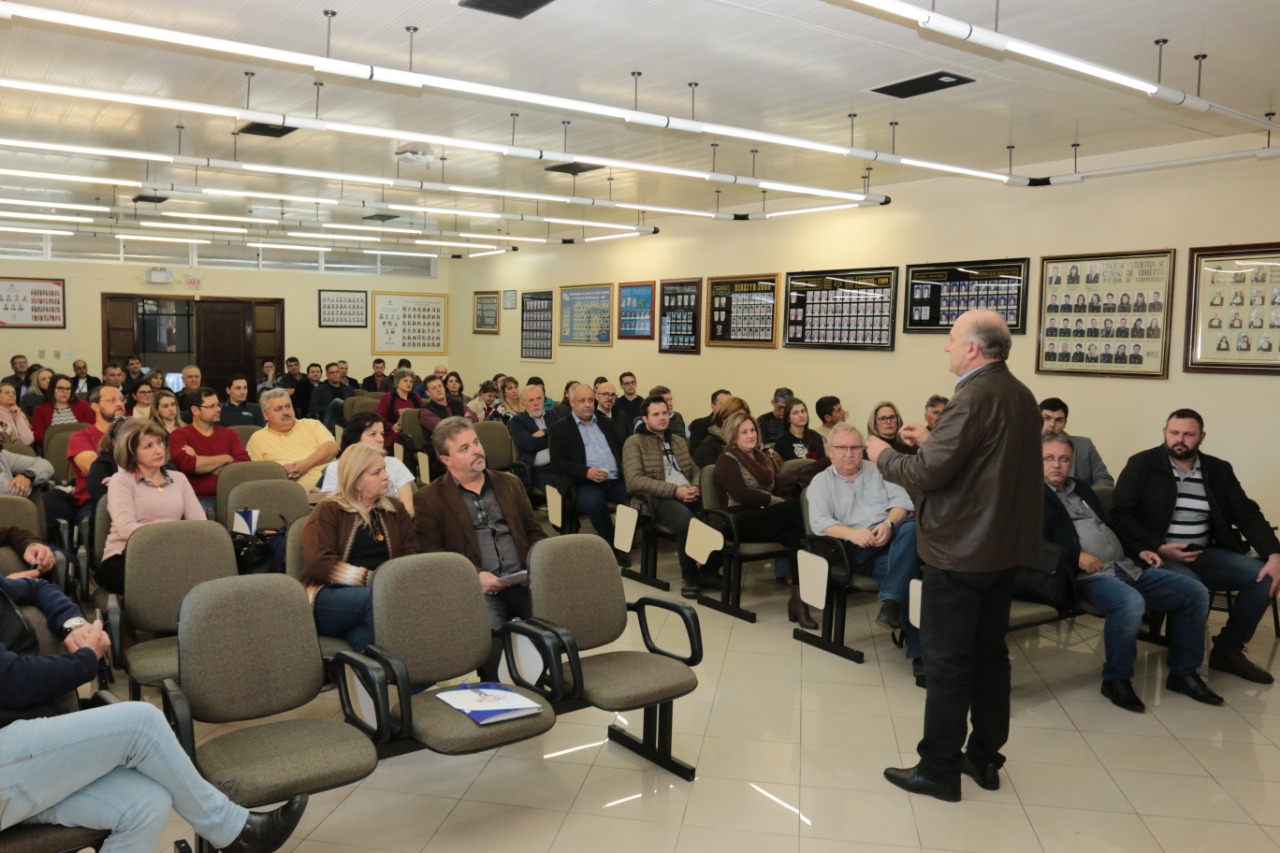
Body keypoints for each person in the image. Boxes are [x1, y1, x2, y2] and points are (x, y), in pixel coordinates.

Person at [0, 567, 308, 853]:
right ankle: (232, 831)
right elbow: (12, 680)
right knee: (141, 722)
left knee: (147, 802)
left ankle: (233, 832)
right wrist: (86, 658)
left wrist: (74, 625)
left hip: (19, 757)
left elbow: (37, 587)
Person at [869, 310, 1042, 802]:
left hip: (959, 553)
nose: (946, 348)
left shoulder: (972, 397)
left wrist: (879, 453)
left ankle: (938, 769)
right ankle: (984, 758)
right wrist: (928, 441)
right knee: (991, 659)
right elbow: (980, 464)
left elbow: (926, 476)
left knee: (947, 665)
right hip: (1003, 551)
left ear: (972, 349)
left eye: (950, 340)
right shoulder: (1020, 395)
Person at [1040, 431, 1220, 712]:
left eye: (1064, 459)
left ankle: (1183, 673)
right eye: (1049, 458)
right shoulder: (1027, 495)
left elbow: (1112, 527)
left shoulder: (1082, 489)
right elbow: (1029, 542)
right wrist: (1075, 557)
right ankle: (1116, 679)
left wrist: (1141, 551)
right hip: (1085, 577)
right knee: (1130, 602)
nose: (1057, 465)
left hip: (1126, 566)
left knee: (1194, 592)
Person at [1109, 409, 1280, 684]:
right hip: (1159, 555)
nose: (1180, 440)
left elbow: (1246, 513)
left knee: (1264, 576)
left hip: (1205, 552)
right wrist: (1159, 546)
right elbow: (1120, 515)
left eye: (1188, 434)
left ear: (1201, 437)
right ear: (1164, 432)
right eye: (1174, 433)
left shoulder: (1218, 469)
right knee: (1193, 589)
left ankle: (1228, 650)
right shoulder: (1142, 464)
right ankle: (1185, 668)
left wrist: (1274, 554)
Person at [414, 417, 546, 679]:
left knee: (554, 623)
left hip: (521, 580)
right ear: (446, 460)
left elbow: (534, 532)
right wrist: (474, 576)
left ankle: (541, 687)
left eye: (476, 442)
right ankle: (497, 696)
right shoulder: (429, 499)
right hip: (479, 589)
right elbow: (433, 555)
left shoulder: (509, 483)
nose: (477, 450)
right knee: (488, 639)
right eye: (464, 448)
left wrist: (537, 567)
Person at [808, 422, 922, 679]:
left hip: (891, 540)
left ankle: (892, 601)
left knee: (910, 531)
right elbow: (820, 522)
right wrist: (852, 534)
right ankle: (920, 654)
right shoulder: (821, 483)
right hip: (856, 549)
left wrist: (889, 524)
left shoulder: (880, 470)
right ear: (830, 451)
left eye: (855, 447)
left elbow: (903, 504)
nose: (849, 453)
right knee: (913, 578)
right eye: (842, 448)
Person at [302, 443, 418, 651]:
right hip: (329, 596)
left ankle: (388, 678)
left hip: (381, 597)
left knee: (365, 638)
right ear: (356, 480)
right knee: (373, 600)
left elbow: (411, 554)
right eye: (377, 472)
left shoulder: (394, 508)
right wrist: (372, 580)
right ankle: (423, 677)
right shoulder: (329, 510)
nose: (386, 476)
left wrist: (394, 583)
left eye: (384, 469)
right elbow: (318, 563)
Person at [713, 410, 811, 626]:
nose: (750, 436)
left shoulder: (762, 458)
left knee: (798, 538)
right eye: (744, 432)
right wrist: (775, 502)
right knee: (793, 510)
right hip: (738, 522)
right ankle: (827, 554)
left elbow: (773, 488)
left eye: (752, 431)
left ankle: (798, 600)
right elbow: (742, 494)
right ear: (733, 436)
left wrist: (773, 502)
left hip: (763, 518)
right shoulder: (726, 460)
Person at [623, 395, 719, 599]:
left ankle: (708, 571)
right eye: (656, 414)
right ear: (645, 419)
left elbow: (694, 469)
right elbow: (635, 481)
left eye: (665, 413)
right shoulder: (634, 442)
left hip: (687, 493)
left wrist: (694, 487)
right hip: (657, 499)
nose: (662, 418)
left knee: (720, 517)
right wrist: (674, 491)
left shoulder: (677, 440)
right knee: (688, 523)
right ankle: (690, 576)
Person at [98, 420, 205, 595]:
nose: (158, 450)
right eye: (148, 446)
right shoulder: (121, 480)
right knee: (161, 581)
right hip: (127, 556)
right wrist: (173, 534)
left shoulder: (179, 479)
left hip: (174, 552)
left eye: (159, 442)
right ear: (132, 454)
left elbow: (200, 523)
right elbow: (126, 529)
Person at [548, 382, 631, 567]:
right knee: (594, 504)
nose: (587, 404)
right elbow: (558, 463)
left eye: (590, 400)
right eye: (581, 401)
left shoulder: (606, 423)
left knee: (635, 500)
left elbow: (618, 450)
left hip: (614, 479)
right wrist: (586, 472)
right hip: (584, 481)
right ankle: (613, 547)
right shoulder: (560, 428)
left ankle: (622, 541)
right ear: (571, 402)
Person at [47, 384, 124, 530]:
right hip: (95, 499)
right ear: (94, 406)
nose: (119, 404)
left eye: (121, 399)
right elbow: (97, 471)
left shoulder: (133, 433)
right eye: (112, 400)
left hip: (137, 493)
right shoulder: (81, 437)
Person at [169, 386, 251, 515]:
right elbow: (189, 465)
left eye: (218, 405)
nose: (218, 409)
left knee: (248, 517)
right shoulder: (179, 435)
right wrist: (226, 458)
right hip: (200, 499)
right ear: (195, 410)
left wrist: (200, 459)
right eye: (212, 406)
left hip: (233, 495)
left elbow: (243, 465)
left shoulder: (230, 433)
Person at [320, 413, 415, 514]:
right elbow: (335, 509)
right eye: (373, 434)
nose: (381, 439)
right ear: (355, 438)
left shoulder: (395, 464)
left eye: (382, 434)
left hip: (394, 524)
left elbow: (408, 508)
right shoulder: (337, 467)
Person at [248, 388, 338, 489]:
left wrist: (305, 465)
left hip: (331, 491)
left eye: (288, 406)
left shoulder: (311, 425)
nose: (286, 412)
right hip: (287, 496)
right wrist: (281, 473)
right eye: (278, 409)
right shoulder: (257, 439)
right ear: (266, 415)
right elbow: (255, 475)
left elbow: (331, 448)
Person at [1038, 397, 1113, 487]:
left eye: (1059, 420)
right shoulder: (1023, 447)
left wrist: (1086, 497)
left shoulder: (1085, 446)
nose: (1052, 424)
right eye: (1047, 418)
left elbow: (1104, 479)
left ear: (1065, 423)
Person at [508, 384, 559, 489]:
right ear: (524, 404)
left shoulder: (552, 415)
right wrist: (553, 437)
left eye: (539, 398)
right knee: (557, 491)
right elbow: (529, 444)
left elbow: (564, 436)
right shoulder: (517, 421)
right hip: (538, 470)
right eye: (531, 400)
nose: (536, 403)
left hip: (559, 465)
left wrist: (545, 431)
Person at [693, 395, 751, 468]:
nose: (741, 423)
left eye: (744, 419)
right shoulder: (708, 447)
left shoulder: (749, 441)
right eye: (736, 418)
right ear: (724, 419)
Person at [374, 368, 422, 452]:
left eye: (411, 381)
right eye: (405, 380)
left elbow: (422, 414)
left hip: (415, 431)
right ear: (397, 382)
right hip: (395, 432)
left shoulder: (416, 396)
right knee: (405, 440)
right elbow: (378, 418)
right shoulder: (388, 397)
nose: (409, 383)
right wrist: (391, 426)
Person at [774, 397, 826, 462]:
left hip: (818, 471)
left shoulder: (815, 436)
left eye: (803, 411)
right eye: (795, 413)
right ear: (788, 418)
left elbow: (823, 461)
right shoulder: (782, 440)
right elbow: (791, 466)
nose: (801, 415)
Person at [309, 362, 356, 430]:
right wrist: (330, 407)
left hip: (345, 418)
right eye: (332, 372)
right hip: (328, 419)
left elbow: (354, 405)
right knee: (336, 402)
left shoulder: (349, 389)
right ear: (327, 375)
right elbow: (312, 407)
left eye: (337, 372)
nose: (335, 374)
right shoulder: (320, 389)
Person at [0, 382, 35, 446]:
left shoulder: (20, 413)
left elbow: (28, 441)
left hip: (20, 451)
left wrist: (18, 417)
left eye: (14, 393)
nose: (12, 395)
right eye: (7, 393)